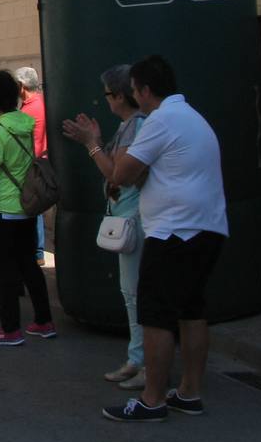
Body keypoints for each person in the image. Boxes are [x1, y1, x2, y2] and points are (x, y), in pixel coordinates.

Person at [76, 56, 228, 423]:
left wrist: (93, 145)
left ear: (144, 90)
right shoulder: (191, 116)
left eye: (131, 92)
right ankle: (189, 392)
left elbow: (122, 175)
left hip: (174, 231)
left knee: (156, 316)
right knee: (191, 311)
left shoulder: (160, 121)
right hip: (206, 227)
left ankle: (152, 399)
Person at [63, 65, 147, 390]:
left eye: (108, 95)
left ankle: (142, 361)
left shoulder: (135, 127)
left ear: (120, 96)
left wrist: (91, 143)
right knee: (131, 293)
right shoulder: (131, 126)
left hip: (132, 217)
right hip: (128, 214)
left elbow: (116, 173)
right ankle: (136, 358)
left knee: (135, 294)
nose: (106, 101)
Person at [0, 69, 56, 346]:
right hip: (25, 206)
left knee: (4, 272)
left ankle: (10, 329)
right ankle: (43, 321)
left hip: (1, 211)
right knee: (29, 266)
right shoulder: (24, 123)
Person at [15, 67, 48, 265]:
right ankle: (37, 252)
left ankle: (36, 252)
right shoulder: (39, 103)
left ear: (21, 86)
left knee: (31, 209)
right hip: (37, 163)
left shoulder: (31, 108)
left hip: (30, 166)